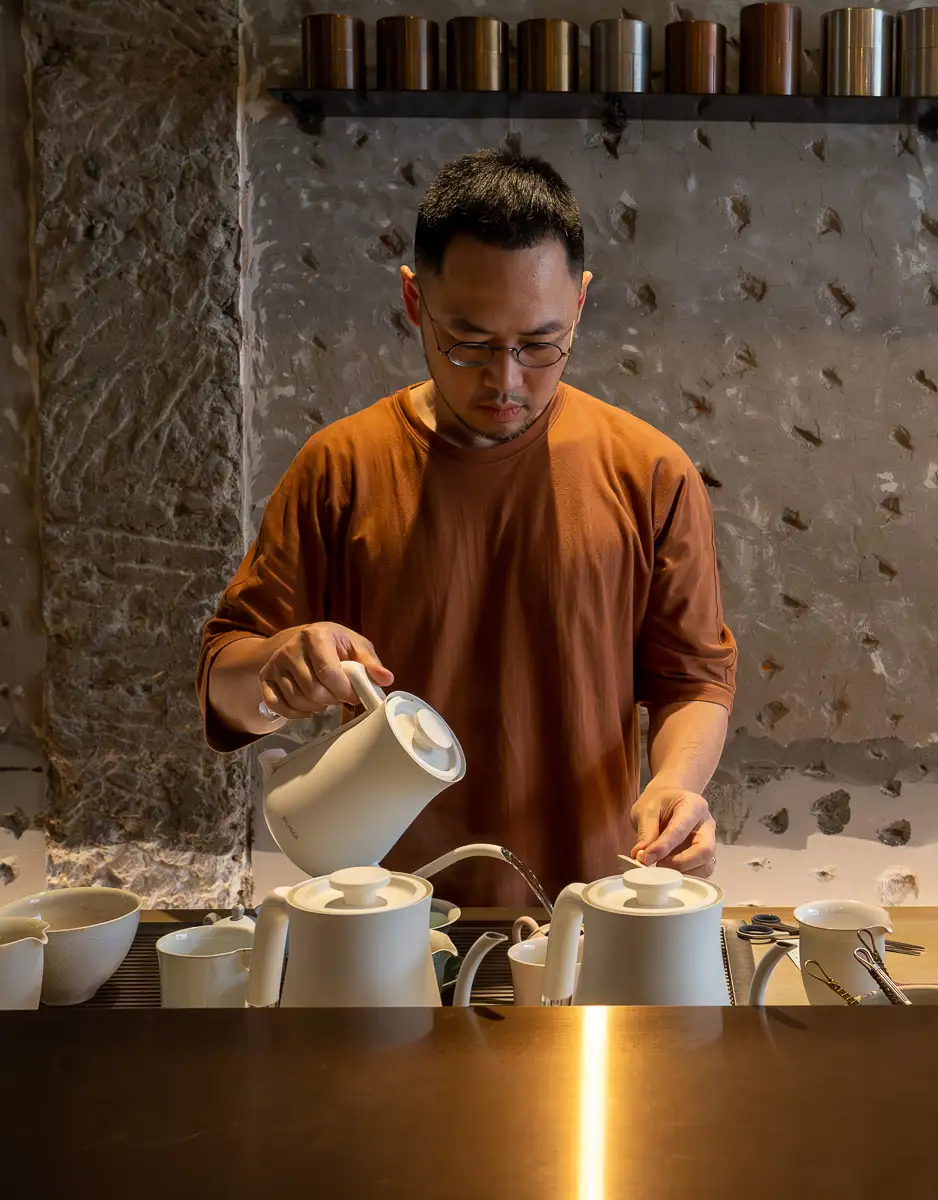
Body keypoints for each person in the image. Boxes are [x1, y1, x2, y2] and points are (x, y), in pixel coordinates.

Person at [198, 149, 736, 905]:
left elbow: (693, 680)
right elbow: (225, 687)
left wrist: (678, 785)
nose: (506, 380)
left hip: (591, 913)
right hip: (386, 917)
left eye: (540, 344)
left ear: (580, 303)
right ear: (415, 302)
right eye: (471, 342)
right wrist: (277, 667)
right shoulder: (341, 468)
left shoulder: (649, 473)